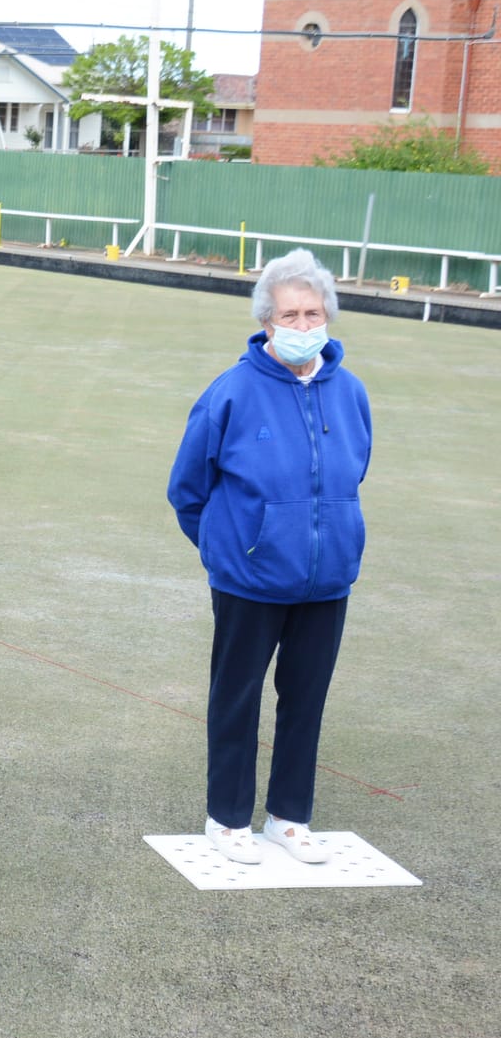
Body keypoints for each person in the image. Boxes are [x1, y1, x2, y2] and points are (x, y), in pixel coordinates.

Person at [168, 248, 371, 865]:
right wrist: (233, 548)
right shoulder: (231, 391)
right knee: (237, 697)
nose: (303, 326)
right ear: (266, 321)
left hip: (327, 581)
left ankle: (288, 817)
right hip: (249, 580)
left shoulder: (352, 393)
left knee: (305, 701)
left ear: (328, 318)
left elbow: (350, 475)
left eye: (313, 314)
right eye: (290, 314)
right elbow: (188, 490)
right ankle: (227, 819)